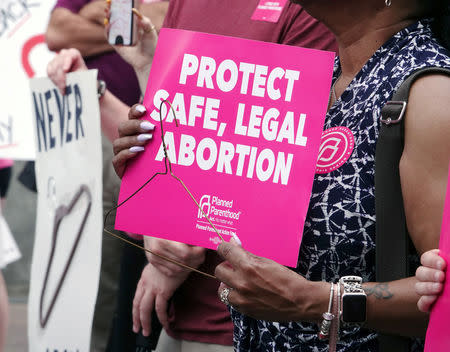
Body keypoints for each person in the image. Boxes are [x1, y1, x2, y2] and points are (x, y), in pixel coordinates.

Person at [114, 0, 450, 351]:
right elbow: (227, 204)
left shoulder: (428, 94)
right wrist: (152, 162)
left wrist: (316, 299)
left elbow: (445, 300)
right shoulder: (316, 80)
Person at [110, 1, 337, 351]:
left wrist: (176, 245)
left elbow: (281, 154)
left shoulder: (306, 11)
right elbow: (181, 129)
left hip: (246, 318)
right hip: (179, 306)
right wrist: (149, 68)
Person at [45, 1, 167, 351]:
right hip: (100, 132)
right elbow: (57, 31)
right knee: (88, 261)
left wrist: (96, 18)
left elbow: (160, 22)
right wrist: (124, 27)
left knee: (132, 274)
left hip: (153, 140)